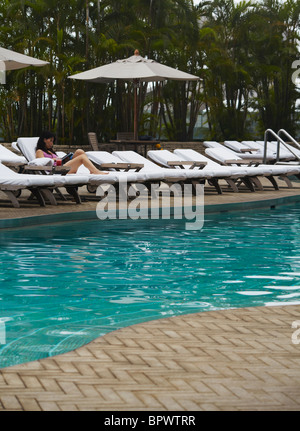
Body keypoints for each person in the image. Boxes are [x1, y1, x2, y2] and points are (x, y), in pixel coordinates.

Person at [36, 131, 108, 175]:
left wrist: (64, 159)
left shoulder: (50, 151)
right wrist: (54, 159)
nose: (52, 143)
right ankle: (95, 171)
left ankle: (91, 170)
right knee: (82, 157)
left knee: (80, 152)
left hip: (62, 165)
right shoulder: (39, 151)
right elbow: (42, 162)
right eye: (50, 140)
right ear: (44, 140)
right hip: (56, 170)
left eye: (53, 141)